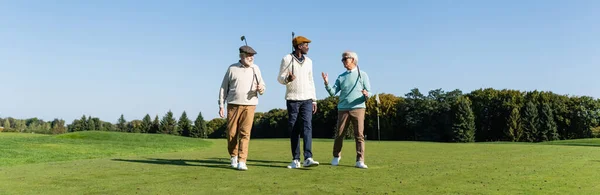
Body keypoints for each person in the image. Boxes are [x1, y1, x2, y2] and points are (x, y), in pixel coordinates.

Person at [218, 45, 266, 171]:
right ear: (241, 55)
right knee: (231, 133)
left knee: (245, 133)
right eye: (249, 55)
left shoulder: (256, 69)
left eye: (253, 56)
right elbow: (223, 88)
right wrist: (221, 105)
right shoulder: (232, 68)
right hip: (233, 104)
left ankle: (242, 160)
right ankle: (233, 156)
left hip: (250, 105)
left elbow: (262, 86)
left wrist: (261, 89)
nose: (252, 58)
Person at [321, 51, 371, 169]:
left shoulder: (362, 75)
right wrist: (327, 83)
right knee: (339, 133)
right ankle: (336, 156)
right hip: (343, 108)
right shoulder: (341, 76)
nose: (343, 61)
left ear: (352, 59)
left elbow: (370, 92)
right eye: (342, 59)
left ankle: (360, 160)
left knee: (359, 135)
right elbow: (333, 92)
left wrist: (366, 94)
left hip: (358, 107)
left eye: (345, 59)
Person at [277, 35, 320, 169]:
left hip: (307, 99)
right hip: (292, 99)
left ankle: (308, 157)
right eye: (306, 45)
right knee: (294, 128)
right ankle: (296, 159)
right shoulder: (287, 59)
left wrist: (314, 100)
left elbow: (310, 81)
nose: (308, 47)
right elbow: (280, 78)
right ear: (299, 46)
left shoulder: (309, 61)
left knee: (307, 126)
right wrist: (288, 79)